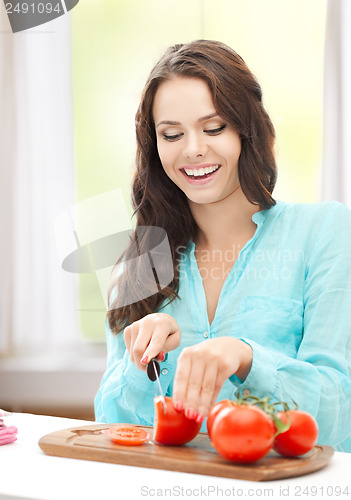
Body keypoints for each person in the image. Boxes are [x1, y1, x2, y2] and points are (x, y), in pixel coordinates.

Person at [94, 40, 351, 452]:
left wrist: (247, 357)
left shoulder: (324, 231)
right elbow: (113, 428)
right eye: (172, 134)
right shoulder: (139, 266)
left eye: (214, 128)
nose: (193, 148)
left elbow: (339, 413)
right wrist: (139, 361)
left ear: (247, 130)